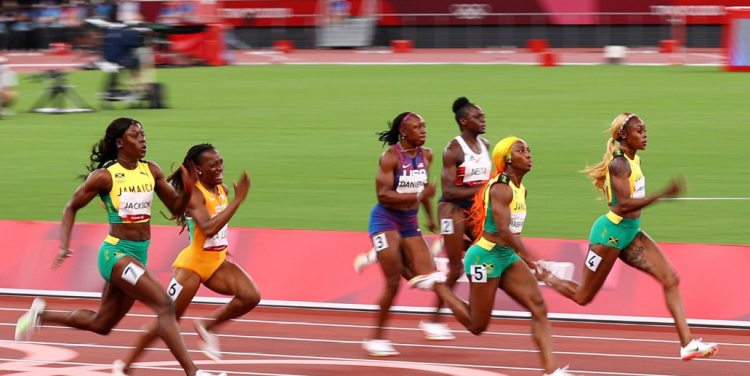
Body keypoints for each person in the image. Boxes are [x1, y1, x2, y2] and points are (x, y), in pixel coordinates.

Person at [14, 118, 225, 376]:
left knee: (101, 323)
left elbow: (176, 208)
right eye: (135, 136)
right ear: (119, 143)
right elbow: (71, 207)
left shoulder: (151, 170)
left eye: (143, 134)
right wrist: (64, 244)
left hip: (139, 254)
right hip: (115, 254)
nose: (143, 140)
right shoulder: (105, 176)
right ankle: (193, 372)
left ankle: (42, 315)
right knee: (165, 305)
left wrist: (189, 186)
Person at [537, 113, 718, 361]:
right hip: (609, 235)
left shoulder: (634, 160)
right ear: (624, 135)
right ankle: (544, 273)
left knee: (671, 278)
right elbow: (623, 206)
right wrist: (663, 194)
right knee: (583, 297)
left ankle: (687, 344)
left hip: (631, 233)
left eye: (645, 130)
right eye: (639, 131)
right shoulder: (619, 164)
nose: (644, 135)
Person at [410, 137, 575, 376]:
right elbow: (505, 230)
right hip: (484, 257)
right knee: (477, 325)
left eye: (529, 149)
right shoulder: (500, 188)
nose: (528, 154)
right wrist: (532, 261)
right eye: (521, 151)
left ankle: (551, 371)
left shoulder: (521, 189)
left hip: (506, 255)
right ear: (507, 160)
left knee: (538, 307)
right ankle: (438, 284)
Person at [114, 143, 259, 374]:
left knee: (251, 296)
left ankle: (207, 326)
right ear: (199, 170)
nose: (220, 167)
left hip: (217, 262)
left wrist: (223, 245)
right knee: (166, 321)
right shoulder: (195, 196)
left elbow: (215, 231)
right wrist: (238, 201)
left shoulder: (222, 190)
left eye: (221, 161)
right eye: (213, 164)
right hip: (192, 266)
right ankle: (124, 366)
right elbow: (209, 228)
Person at [362, 111, 443, 356]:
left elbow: (424, 189)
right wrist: (419, 197)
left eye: (425, 126)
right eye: (418, 127)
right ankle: (375, 339)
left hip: (409, 222)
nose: (424, 131)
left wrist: (428, 214)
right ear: (404, 132)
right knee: (393, 281)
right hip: (385, 220)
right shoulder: (390, 157)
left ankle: (383, 251)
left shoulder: (427, 155)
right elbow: (383, 195)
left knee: (429, 278)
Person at [422, 96, 491, 339]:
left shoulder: (486, 144)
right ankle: (432, 321)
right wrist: (484, 189)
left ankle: (451, 242)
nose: (483, 120)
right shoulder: (454, 149)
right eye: (477, 116)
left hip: (473, 208)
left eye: (483, 116)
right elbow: (449, 191)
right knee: (456, 268)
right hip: (451, 208)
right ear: (464, 121)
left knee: (484, 252)